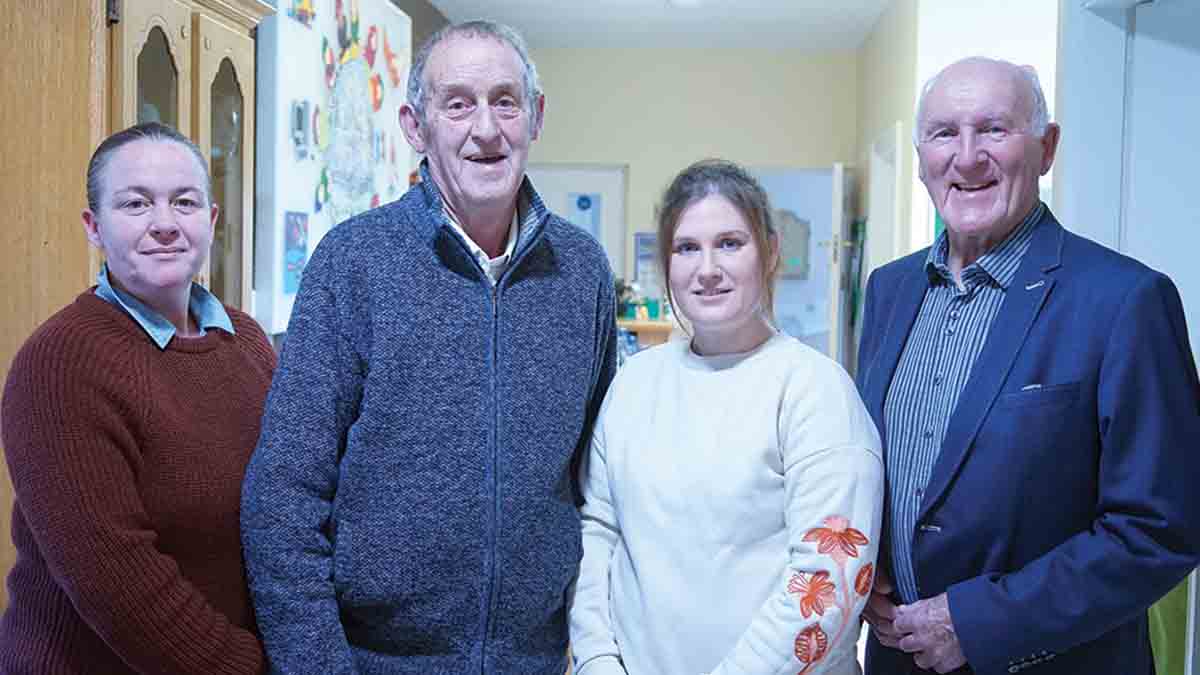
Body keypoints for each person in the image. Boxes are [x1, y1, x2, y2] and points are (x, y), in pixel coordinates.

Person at [239, 20, 617, 674]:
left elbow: (598, 484)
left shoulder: (582, 272)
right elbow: (282, 500)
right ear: (416, 126)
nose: (486, 128)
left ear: (536, 117)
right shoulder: (353, 263)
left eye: (506, 101)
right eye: (458, 104)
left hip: (535, 662)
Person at [855, 57, 1200, 675]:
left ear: (1047, 147)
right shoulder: (889, 290)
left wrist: (978, 624)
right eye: (944, 134)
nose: (967, 158)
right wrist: (864, 567)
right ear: (921, 159)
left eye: (994, 129)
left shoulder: (1125, 300)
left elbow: (1162, 528)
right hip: (896, 659)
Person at [569, 159, 884, 675]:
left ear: (771, 251)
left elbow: (826, 583)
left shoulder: (815, 392)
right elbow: (597, 532)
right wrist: (598, 662)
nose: (708, 268)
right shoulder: (633, 385)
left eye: (730, 243)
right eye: (686, 248)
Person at [0, 122, 275, 673]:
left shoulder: (246, 341)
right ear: (94, 227)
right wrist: (255, 668)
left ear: (211, 221)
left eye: (184, 202)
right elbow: (119, 584)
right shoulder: (61, 361)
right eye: (136, 204)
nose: (165, 224)